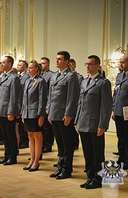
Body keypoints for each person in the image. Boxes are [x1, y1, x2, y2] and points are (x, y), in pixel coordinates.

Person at [75, 55, 112, 189]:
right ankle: (90, 176)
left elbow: (106, 106)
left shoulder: (103, 83)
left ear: (97, 65)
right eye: (86, 64)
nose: (87, 66)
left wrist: (103, 124)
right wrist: (77, 120)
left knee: (97, 153)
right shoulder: (84, 82)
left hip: (95, 123)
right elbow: (80, 103)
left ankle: (98, 178)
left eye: (90, 64)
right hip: (83, 122)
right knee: (87, 152)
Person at [48, 51, 79, 179]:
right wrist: (49, 111)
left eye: (60, 59)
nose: (57, 61)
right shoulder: (54, 76)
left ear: (66, 61)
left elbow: (72, 97)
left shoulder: (71, 76)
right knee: (59, 143)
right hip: (54, 113)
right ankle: (60, 167)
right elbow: (50, 96)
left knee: (67, 143)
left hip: (64, 115)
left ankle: (67, 169)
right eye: (56, 59)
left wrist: (68, 114)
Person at [21, 60, 47, 172]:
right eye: (28, 68)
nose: (29, 69)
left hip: (35, 113)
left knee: (37, 136)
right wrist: (23, 112)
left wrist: (41, 115)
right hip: (27, 113)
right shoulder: (27, 81)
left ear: (37, 69)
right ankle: (31, 159)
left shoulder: (40, 81)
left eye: (31, 67)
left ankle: (36, 161)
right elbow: (24, 99)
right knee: (30, 136)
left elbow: (42, 99)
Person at [0, 56, 21, 165]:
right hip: (1, 110)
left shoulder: (13, 78)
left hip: (8, 110)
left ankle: (12, 156)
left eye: (4, 62)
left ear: (10, 64)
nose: (2, 64)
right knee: (4, 135)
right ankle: (6, 154)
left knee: (10, 134)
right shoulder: (2, 77)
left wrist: (11, 111)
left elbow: (14, 97)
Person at [68, 59, 84, 150]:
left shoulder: (79, 77)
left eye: (72, 65)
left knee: (74, 125)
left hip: (76, 104)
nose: (70, 67)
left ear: (75, 66)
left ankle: (75, 143)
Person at [40, 57, 54, 153]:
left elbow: (50, 91)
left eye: (44, 63)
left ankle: (48, 145)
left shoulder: (51, 75)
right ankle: (42, 144)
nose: (42, 65)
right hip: (40, 104)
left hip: (46, 103)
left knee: (47, 127)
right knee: (41, 127)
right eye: (40, 63)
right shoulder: (39, 75)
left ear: (48, 64)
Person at [17, 60, 30, 149]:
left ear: (25, 67)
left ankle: (24, 141)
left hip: (23, 102)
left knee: (23, 125)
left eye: (20, 65)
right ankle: (21, 140)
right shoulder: (18, 76)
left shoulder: (26, 76)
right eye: (17, 65)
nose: (18, 66)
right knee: (19, 125)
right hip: (19, 102)